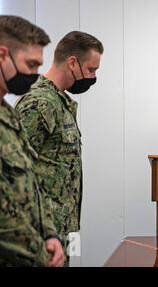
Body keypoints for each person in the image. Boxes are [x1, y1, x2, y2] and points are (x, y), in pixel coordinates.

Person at [15, 31, 103, 265]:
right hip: (39, 233)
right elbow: (14, 172)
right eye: (92, 69)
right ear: (72, 62)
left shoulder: (58, 101)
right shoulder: (39, 102)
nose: (93, 77)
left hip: (57, 230)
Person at [0, 15, 64, 266]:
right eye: (31, 64)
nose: (36, 75)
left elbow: (31, 181)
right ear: (2, 55)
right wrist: (39, 254)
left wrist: (50, 234)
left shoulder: (8, 114)